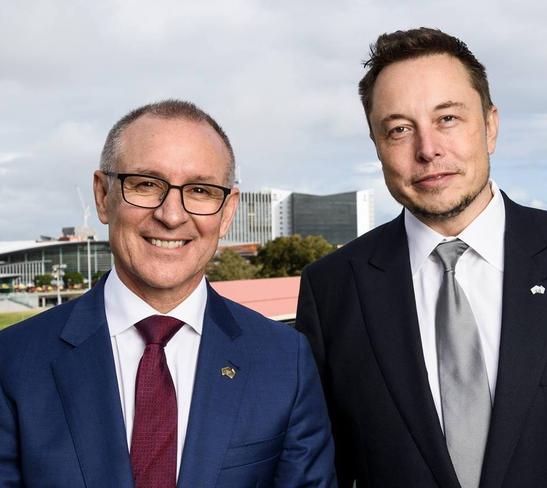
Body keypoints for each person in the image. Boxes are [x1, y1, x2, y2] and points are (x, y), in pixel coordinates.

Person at [296, 28, 547, 488]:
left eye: (447, 119)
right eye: (400, 129)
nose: (428, 150)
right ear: (377, 145)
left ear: (491, 126)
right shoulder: (332, 289)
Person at [0, 100, 336, 488]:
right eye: (146, 184)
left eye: (200, 190)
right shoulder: (13, 364)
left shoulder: (284, 362)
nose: (172, 215)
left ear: (227, 212)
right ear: (102, 195)